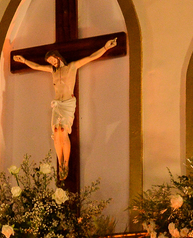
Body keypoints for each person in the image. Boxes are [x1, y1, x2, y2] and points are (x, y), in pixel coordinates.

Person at [13, 38, 118, 176]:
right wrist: (24, 61)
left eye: (52, 60)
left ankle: (66, 163)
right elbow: (37, 66)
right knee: (56, 131)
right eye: (50, 62)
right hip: (57, 104)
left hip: (67, 103)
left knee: (63, 130)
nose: (52, 63)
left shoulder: (72, 67)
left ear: (57, 57)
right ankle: (60, 161)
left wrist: (105, 47)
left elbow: (90, 57)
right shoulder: (53, 71)